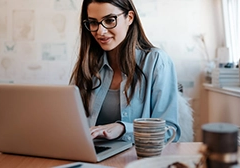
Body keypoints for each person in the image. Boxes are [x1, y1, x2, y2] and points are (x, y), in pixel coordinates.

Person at [69, 0, 181, 143]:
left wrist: (124, 128)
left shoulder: (156, 61)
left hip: (137, 160)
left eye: (109, 20)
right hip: (93, 157)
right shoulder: (87, 66)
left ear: (129, 17)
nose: (100, 31)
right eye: (93, 22)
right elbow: (72, 124)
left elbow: (169, 132)